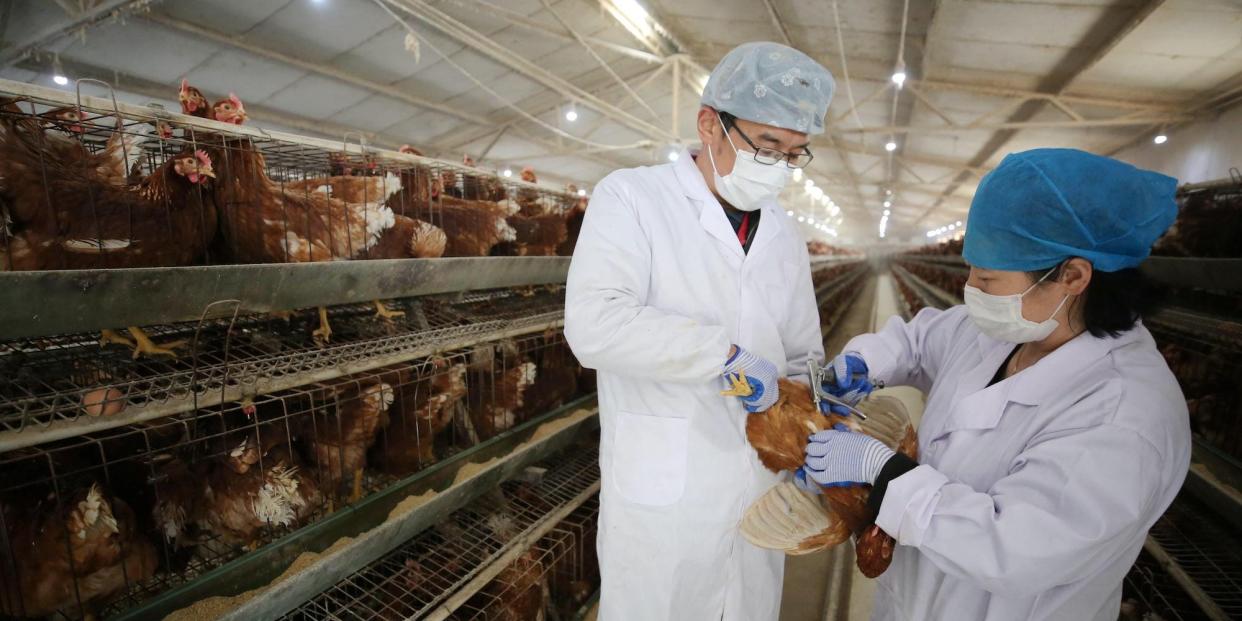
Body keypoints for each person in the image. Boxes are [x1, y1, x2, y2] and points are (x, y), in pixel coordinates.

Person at [799, 148, 1191, 621]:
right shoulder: (1007, 325)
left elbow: (1018, 548)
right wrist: (864, 363)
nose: (971, 289)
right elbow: (922, 340)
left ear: (1072, 275)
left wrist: (883, 475)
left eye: (988, 277)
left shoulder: (1125, 415)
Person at [563, 42, 836, 620]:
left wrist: (821, 393)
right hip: (665, 497)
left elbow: (800, 347)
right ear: (710, 124)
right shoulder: (633, 198)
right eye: (767, 146)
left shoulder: (784, 232)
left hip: (763, 491)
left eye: (795, 153)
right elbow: (594, 325)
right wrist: (722, 356)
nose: (781, 165)